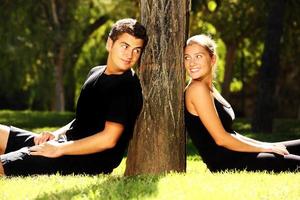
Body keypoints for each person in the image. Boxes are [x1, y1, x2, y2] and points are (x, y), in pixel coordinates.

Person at [0, 18, 148, 176]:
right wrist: (55, 135)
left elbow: (108, 139)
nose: (130, 55)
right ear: (110, 44)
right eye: (125, 46)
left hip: (87, 160)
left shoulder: (126, 87)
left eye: (136, 50)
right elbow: (83, 119)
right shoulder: (96, 72)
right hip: (66, 145)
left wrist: (58, 149)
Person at [184, 34, 300, 172]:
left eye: (198, 56)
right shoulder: (197, 89)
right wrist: (265, 148)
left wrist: (268, 145)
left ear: (212, 59)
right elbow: (221, 139)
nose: (191, 63)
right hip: (228, 162)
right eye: (187, 57)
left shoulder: (209, 88)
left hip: (237, 153)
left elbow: (231, 133)